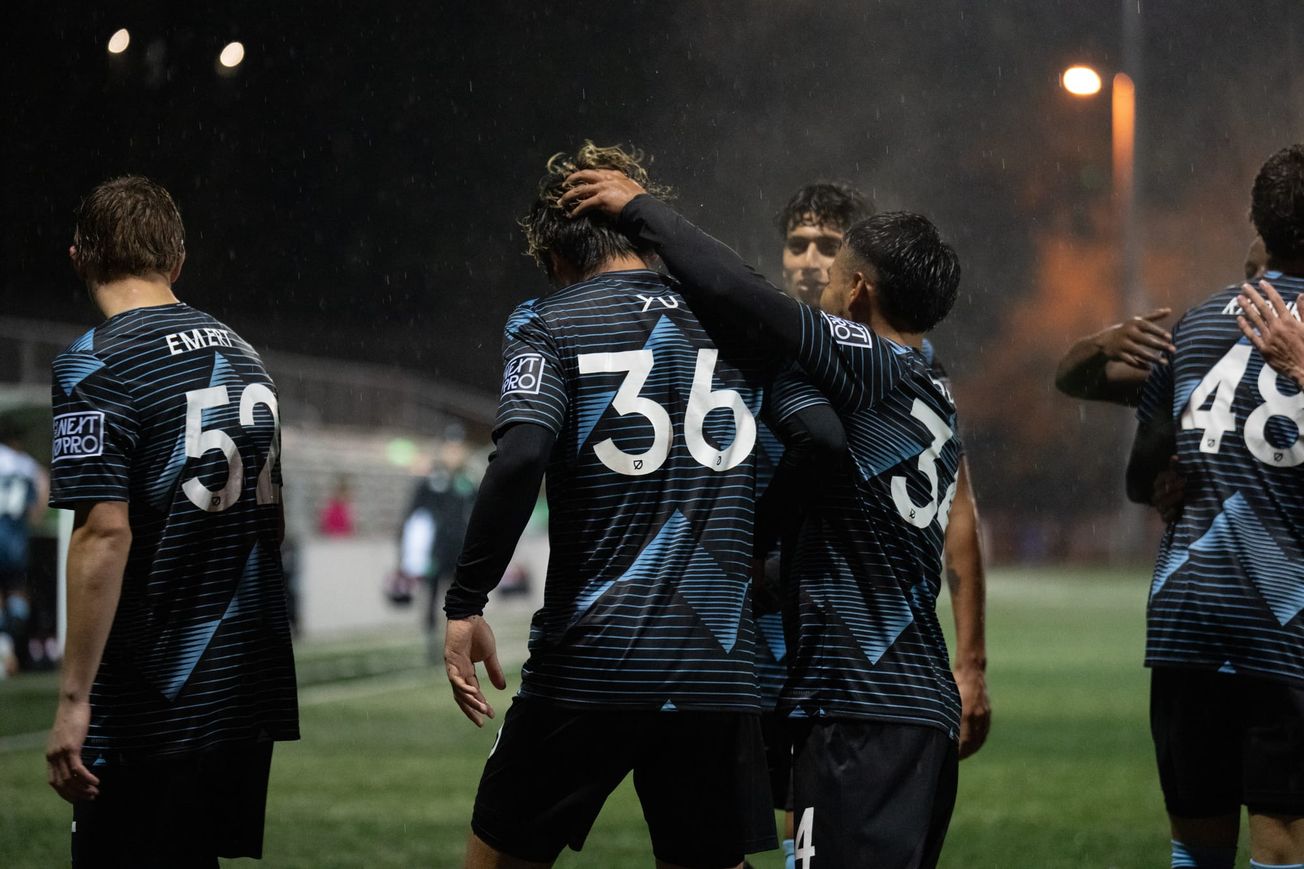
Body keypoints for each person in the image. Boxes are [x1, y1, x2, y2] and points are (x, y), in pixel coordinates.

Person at [441, 143, 828, 869]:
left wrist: (466, 598)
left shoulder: (549, 319)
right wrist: (757, 539)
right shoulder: (736, 321)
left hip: (592, 658)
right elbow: (821, 442)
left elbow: (522, 453)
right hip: (714, 665)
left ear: (554, 254)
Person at [565, 171, 964, 868]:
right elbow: (862, 539)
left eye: (836, 274)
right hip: (921, 706)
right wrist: (769, 569)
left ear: (860, 291)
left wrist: (642, 209)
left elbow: (741, 293)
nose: (824, 286)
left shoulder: (867, 360)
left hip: (859, 708)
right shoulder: (934, 391)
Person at [44, 176, 299, 867]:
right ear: (177, 261)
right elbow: (269, 524)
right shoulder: (249, 358)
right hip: (242, 687)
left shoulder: (95, 362)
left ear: (79, 258)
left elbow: (105, 532)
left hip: (152, 691)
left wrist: (73, 699)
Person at [1127, 143, 1304, 869]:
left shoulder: (1194, 326)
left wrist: (1170, 478)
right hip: (1282, 613)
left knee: (1196, 846)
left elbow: (1142, 472)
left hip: (1186, 613)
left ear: (1257, 223)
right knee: (1281, 840)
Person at [0, 418, 47, 674]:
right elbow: (42, 485)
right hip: (17, 537)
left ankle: (3, 648)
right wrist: (34, 516)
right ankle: (13, 633)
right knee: (17, 588)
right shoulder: (27, 464)